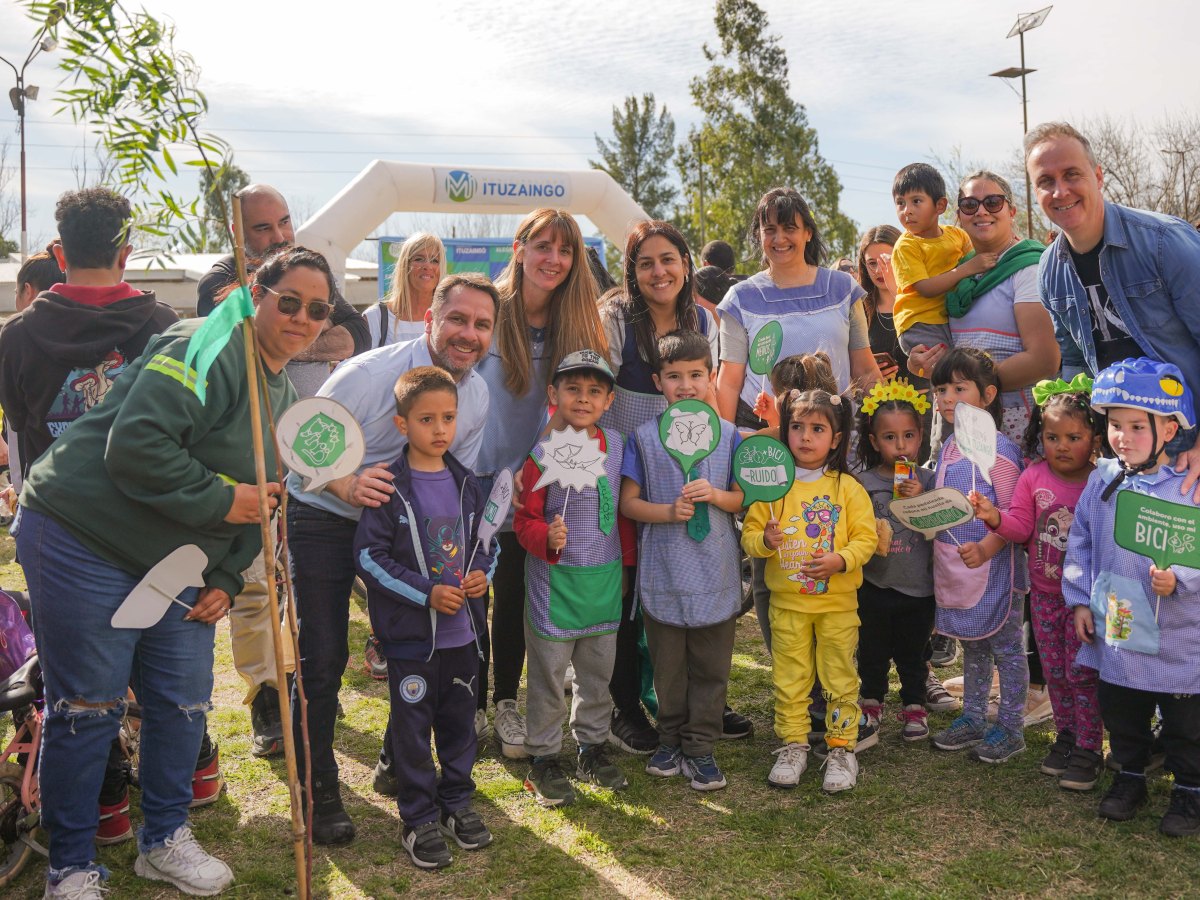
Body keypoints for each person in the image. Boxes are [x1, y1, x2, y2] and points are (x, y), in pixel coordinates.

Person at [15, 244, 332, 898]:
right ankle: (70, 866)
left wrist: (223, 576)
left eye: (319, 309)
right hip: (81, 536)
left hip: (176, 564)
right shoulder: (204, 343)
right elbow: (135, 446)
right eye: (289, 301)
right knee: (89, 706)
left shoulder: (279, 396)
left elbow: (263, 503)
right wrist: (224, 499)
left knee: (183, 703)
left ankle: (163, 839)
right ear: (255, 296)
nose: (303, 317)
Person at [286, 272, 496, 844]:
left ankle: (396, 762)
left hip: (407, 535)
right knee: (325, 655)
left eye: (481, 325)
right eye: (457, 318)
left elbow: (458, 488)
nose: (467, 334)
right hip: (326, 514)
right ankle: (321, 788)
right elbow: (302, 446)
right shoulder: (368, 374)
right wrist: (347, 483)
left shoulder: (473, 395)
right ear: (429, 318)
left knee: (419, 645)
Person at [472, 208, 608, 759]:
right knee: (464, 593)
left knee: (513, 597)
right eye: (543, 246)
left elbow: (581, 408)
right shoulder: (487, 309)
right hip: (470, 475)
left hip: (533, 481)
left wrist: (547, 473)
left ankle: (506, 701)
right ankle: (465, 704)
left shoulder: (575, 322)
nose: (554, 259)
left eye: (565, 249)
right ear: (519, 247)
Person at [353, 366, 497, 869]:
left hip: (463, 636)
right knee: (412, 732)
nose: (440, 429)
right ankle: (418, 817)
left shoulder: (467, 484)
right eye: (427, 419)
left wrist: (481, 574)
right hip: (412, 640)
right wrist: (425, 593)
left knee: (459, 724)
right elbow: (370, 558)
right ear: (401, 424)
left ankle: (456, 802)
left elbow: (486, 545)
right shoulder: (389, 486)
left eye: (449, 418)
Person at [599, 221, 731, 754]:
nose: (659, 271)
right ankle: (627, 705)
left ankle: (697, 706)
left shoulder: (702, 317)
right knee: (632, 589)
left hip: (690, 458)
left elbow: (713, 386)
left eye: (669, 259)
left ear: (685, 263)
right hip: (632, 454)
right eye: (646, 262)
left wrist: (721, 448)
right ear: (632, 271)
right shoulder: (616, 319)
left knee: (692, 570)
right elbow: (601, 391)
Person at [1064, 359, 1200, 835]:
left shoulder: (1190, 486)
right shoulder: (1101, 479)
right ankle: (1130, 775)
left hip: (1181, 632)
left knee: (1186, 720)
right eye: (1115, 424)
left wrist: (1181, 579)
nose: (1123, 436)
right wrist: (1080, 598)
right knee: (1122, 705)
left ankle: (1189, 789)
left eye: (1137, 426)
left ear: (1168, 429)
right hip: (1118, 618)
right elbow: (1080, 538)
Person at [1025, 122, 1200, 479]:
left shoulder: (1165, 243)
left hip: (1189, 448)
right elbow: (1074, 362)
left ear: (1098, 175)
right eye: (1046, 181)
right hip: (1120, 455)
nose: (1060, 191)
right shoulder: (1048, 271)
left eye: (1072, 174)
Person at [620, 330, 745, 791]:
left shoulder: (729, 435)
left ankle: (701, 746)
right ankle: (669, 738)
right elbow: (629, 504)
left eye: (696, 374)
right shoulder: (643, 439)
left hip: (715, 570)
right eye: (675, 376)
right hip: (664, 571)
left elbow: (742, 498)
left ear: (712, 377)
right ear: (658, 381)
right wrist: (668, 511)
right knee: (668, 667)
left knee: (711, 666)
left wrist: (715, 495)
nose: (686, 385)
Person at [970, 375, 1103, 790]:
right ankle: (1065, 736)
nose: (1062, 445)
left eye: (1074, 436)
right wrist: (995, 517)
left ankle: (1089, 747)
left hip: (1087, 601)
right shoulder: (1032, 477)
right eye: (1052, 436)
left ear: (1095, 440)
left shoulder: (1101, 482)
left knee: (1083, 672)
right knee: (1055, 672)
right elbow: (1022, 526)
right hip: (1044, 597)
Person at [514, 350, 633, 806]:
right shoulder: (542, 454)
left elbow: (621, 512)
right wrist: (548, 533)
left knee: (597, 671)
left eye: (593, 391)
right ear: (554, 394)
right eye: (573, 389)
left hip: (603, 580)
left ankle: (592, 745)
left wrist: (625, 567)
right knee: (548, 673)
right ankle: (544, 754)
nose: (583, 399)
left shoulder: (618, 446)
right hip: (555, 582)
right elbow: (524, 520)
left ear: (608, 399)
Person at [742, 389, 876, 793]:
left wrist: (841, 560)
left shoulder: (848, 489)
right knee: (791, 677)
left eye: (817, 429)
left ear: (836, 439)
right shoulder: (771, 488)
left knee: (839, 676)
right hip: (787, 605)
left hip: (837, 606)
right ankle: (793, 743)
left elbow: (866, 539)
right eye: (797, 427)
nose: (805, 437)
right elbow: (749, 539)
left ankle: (841, 748)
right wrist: (764, 540)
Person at [927, 349, 1028, 764]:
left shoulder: (1000, 452)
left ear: (987, 395)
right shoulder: (950, 446)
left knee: (1006, 647)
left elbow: (1015, 518)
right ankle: (972, 716)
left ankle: (1010, 726)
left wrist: (987, 547)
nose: (946, 397)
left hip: (996, 569)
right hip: (960, 566)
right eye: (940, 389)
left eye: (958, 388)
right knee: (973, 645)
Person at [909, 171, 1060, 445]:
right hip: (962, 422)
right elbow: (946, 351)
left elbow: (1044, 359)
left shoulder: (1029, 268)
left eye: (993, 202)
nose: (981, 211)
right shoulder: (958, 274)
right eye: (970, 205)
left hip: (1016, 422)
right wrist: (919, 363)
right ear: (959, 215)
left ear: (1012, 211)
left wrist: (970, 389)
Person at [716, 187, 880, 429]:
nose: (779, 239)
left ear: (808, 233)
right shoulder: (739, 299)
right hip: (762, 440)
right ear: (758, 235)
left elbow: (865, 370)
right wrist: (724, 446)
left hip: (834, 434)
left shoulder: (844, 289)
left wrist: (885, 423)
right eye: (769, 230)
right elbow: (729, 381)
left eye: (789, 229)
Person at [195, 183, 369, 397]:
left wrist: (291, 342)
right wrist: (315, 333)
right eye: (263, 228)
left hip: (309, 422)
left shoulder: (307, 275)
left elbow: (360, 336)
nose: (279, 236)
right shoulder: (219, 281)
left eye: (317, 310)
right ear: (237, 232)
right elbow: (246, 344)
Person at [853, 380, 937, 742]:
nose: (900, 446)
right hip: (875, 584)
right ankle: (870, 702)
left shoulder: (932, 481)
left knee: (913, 652)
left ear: (921, 436)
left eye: (908, 436)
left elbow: (941, 530)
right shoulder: (861, 483)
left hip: (919, 587)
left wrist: (921, 498)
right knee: (871, 649)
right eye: (889, 437)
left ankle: (914, 706)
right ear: (874, 441)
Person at [890, 163, 992, 356]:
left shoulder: (957, 235)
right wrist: (966, 269)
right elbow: (925, 288)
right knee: (947, 374)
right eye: (900, 203)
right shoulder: (906, 246)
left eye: (916, 201)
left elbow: (976, 258)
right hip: (920, 323)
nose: (907, 210)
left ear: (940, 205)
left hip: (948, 319)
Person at [366, 232, 446, 349]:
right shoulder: (376, 318)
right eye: (419, 259)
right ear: (405, 265)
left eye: (434, 260)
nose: (427, 266)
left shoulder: (449, 317)